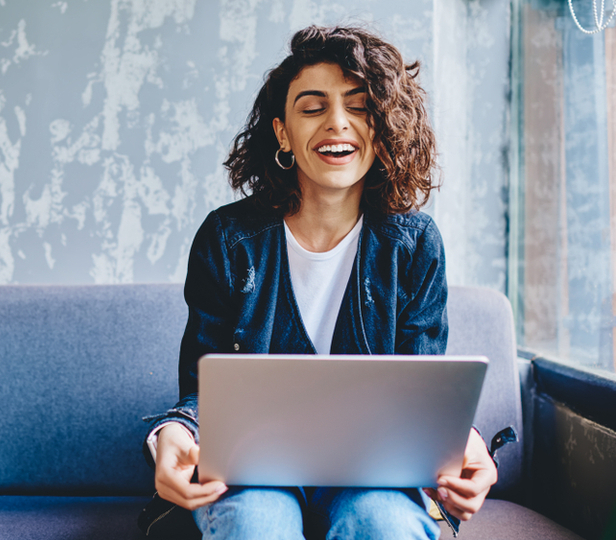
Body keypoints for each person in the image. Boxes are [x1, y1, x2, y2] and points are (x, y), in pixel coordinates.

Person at [143, 25, 498, 539]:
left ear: (383, 127)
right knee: (254, 525)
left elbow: (421, 392)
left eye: (359, 107)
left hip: (374, 477)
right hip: (253, 477)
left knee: (388, 525)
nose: (337, 123)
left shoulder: (415, 244)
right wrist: (172, 432)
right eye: (313, 108)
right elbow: (204, 392)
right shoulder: (226, 238)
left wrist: (459, 440)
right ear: (282, 132)